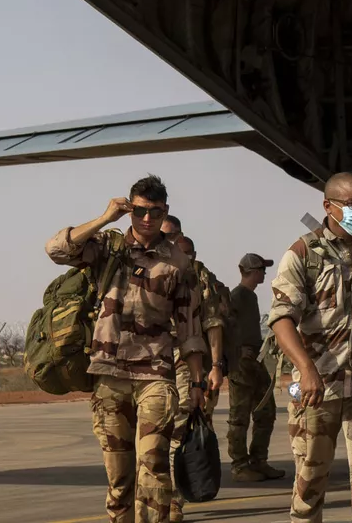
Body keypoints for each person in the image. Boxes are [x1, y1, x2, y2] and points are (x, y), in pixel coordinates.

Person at [45, 175, 208, 523]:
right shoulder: (106, 247)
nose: (146, 219)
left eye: (155, 212)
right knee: (120, 480)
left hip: (156, 374)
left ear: (166, 212)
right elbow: (57, 249)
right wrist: (105, 218)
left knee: (153, 468)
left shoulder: (179, 264)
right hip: (109, 372)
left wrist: (197, 383)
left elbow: (191, 331)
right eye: (139, 211)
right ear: (130, 209)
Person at [268, 172, 352, 523]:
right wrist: (306, 369)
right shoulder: (303, 253)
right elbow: (281, 319)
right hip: (316, 387)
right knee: (310, 483)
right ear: (329, 206)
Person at [158, 222, 229, 522]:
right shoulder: (148, 265)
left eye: (171, 237)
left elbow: (213, 323)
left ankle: (174, 502)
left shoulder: (198, 274)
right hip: (153, 361)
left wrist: (215, 367)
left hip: (188, 361)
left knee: (180, 429)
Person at [226, 253, 284, 482]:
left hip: (256, 361)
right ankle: (240, 466)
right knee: (239, 416)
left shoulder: (249, 296)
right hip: (241, 363)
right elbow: (224, 326)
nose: (264, 273)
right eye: (261, 269)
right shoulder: (238, 296)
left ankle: (259, 461)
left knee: (265, 411)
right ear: (251, 271)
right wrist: (237, 351)